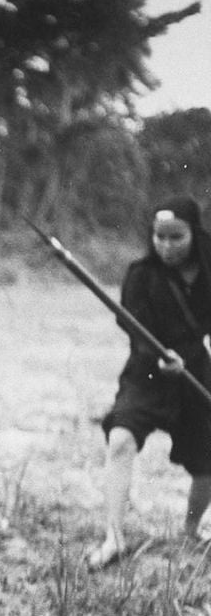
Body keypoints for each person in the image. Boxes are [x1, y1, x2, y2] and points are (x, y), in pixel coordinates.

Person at [89, 198, 211, 568]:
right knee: (120, 439)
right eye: (159, 236)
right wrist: (158, 355)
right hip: (147, 371)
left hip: (195, 371)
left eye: (176, 237)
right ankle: (114, 537)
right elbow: (134, 326)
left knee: (207, 460)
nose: (166, 246)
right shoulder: (141, 274)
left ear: (194, 233)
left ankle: (191, 530)